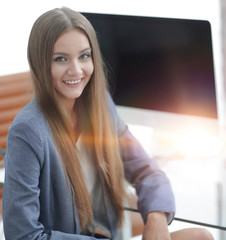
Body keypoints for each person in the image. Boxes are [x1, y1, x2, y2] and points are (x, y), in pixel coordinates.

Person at [2, 7, 214, 240]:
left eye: (84, 56)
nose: (76, 70)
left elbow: (146, 170)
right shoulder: (27, 131)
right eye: (61, 59)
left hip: (108, 234)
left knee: (201, 236)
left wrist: (156, 216)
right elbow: (23, 235)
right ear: (40, 63)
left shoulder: (99, 104)